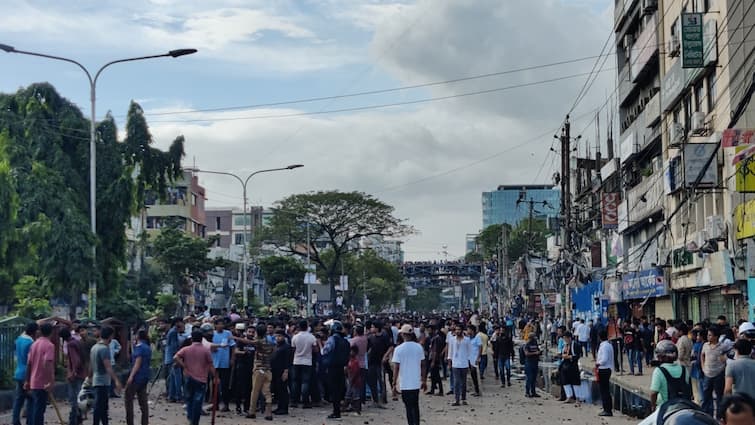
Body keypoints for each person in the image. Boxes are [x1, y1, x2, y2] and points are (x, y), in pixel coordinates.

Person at [175, 330, 217, 425]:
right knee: (198, 401)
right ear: (202, 339)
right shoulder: (206, 350)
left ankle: (190, 417)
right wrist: (215, 377)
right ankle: (195, 421)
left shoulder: (186, 349)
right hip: (201, 379)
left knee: (189, 398)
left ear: (192, 339)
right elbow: (211, 365)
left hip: (189, 377)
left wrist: (184, 365)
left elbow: (175, 357)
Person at [392, 324, 427, 425]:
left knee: (408, 407)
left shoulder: (398, 349)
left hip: (405, 383)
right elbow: (423, 365)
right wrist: (423, 380)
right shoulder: (418, 347)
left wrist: (394, 383)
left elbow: (396, 367)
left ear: (403, 334)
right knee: (415, 406)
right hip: (415, 382)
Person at [90, 325, 123, 425]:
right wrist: (116, 380)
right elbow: (108, 367)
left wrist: (89, 376)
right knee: (100, 406)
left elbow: (90, 364)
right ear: (110, 336)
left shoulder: (95, 347)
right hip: (103, 381)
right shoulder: (104, 349)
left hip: (96, 379)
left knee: (101, 406)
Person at [649, 340, 692, 411]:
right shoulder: (684, 369)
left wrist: (653, 406)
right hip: (683, 407)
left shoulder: (658, 371)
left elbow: (653, 393)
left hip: (665, 409)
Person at [25, 322, 54, 425]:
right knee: (39, 410)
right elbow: (47, 364)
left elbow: (29, 363)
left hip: (33, 381)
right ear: (51, 332)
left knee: (36, 408)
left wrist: (27, 380)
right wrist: (49, 381)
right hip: (42, 383)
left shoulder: (34, 344)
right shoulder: (49, 345)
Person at [321, 320, 350, 420]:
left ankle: (336, 411)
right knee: (340, 388)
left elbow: (325, 351)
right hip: (342, 367)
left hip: (331, 367)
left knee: (333, 390)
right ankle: (339, 408)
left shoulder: (332, 340)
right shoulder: (345, 341)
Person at [12, 322, 37, 425]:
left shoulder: (19, 340)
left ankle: (15, 421)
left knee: (19, 400)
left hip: (18, 372)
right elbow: (31, 362)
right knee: (31, 400)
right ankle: (30, 421)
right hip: (27, 374)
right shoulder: (31, 343)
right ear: (34, 332)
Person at [125, 330, 151, 425]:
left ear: (138, 336)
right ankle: (145, 422)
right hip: (145, 376)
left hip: (137, 376)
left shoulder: (139, 347)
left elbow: (137, 363)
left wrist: (131, 376)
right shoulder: (147, 347)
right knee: (143, 402)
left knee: (128, 400)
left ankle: (130, 422)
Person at [60, 327, 86, 425]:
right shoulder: (77, 341)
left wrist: (73, 372)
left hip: (76, 375)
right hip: (82, 373)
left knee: (73, 398)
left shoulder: (70, 345)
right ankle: (79, 418)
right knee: (79, 396)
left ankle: (74, 420)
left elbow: (76, 360)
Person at [701, 327, 727, 417]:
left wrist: (723, 367)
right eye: (708, 335)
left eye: (710, 335)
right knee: (706, 396)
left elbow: (725, 359)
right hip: (707, 373)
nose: (708, 337)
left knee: (719, 396)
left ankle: (720, 416)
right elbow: (702, 355)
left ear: (716, 336)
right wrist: (703, 367)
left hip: (718, 374)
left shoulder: (722, 346)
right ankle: (706, 415)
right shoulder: (705, 345)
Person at [290, 320, 316, 409]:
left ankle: (294, 401)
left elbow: (293, 350)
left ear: (299, 327)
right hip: (307, 361)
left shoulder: (295, 337)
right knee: (305, 382)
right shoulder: (312, 337)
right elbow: (315, 350)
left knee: (295, 381)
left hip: (296, 361)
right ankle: (305, 402)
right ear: (307, 326)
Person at [211, 319, 235, 412]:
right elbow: (209, 346)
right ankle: (215, 404)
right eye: (219, 324)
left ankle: (226, 404)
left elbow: (233, 346)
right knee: (214, 384)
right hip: (215, 362)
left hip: (225, 363)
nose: (221, 326)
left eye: (222, 324)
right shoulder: (212, 334)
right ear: (215, 325)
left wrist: (232, 359)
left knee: (225, 385)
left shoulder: (228, 333)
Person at [367, 320, 391, 407]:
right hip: (371, 362)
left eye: (373, 327)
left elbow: (390, 347)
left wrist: (385, 356)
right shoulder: (370, 337)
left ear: (377, 328)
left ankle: (383, 399)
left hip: (380, 362)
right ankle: (375, 400)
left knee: (381, 381)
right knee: (372, 381)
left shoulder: (384, 336)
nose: (371, 328)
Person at [271, 329, 292, 416]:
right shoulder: (276, 346)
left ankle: (284, 408)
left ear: (283, 337)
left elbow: (288, 360)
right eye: (276, 336)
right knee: (278, 390)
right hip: (275, 371)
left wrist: (286, 371)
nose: (277, 338)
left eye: (279, 336)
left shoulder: (286, 347)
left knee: (283, 389)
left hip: (282, 371)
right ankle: (279, 407)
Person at [449, 325, 471, 406]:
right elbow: (450, 351)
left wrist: (470, 363)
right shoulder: (452, 340)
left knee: (463, 383)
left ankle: (464, 399)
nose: (457, 331)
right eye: (456, 329)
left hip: (464, 363)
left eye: (459, 329)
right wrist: (449, 361)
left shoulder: (467, 340)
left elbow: (469, 352)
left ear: (462, 330)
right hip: (455, 364)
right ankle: (456, 399)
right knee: (456, 382)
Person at [164, 318, 185, 403]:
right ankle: (178, 396)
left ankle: (171, 396)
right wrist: (177, 358)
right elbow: (173, 347)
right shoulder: (173, 332)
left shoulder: (172, 331)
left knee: (173, 378)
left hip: (169, 357)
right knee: (177, 378)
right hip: (173, 357)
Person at [559, 331, 582, 404]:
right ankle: (569, 396)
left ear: (569, 338)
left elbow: (578, 355)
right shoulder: (565, 345)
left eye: (565, 338)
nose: (565, 340)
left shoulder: (575, 345)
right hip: (565, 364)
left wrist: (569, 357)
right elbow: (562, 354)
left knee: (575, 382)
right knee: (565, 381)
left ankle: (577, 398)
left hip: (573, 365)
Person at [596, 329, 614, 417]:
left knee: (604, 390)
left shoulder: (604, 346)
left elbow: (604, 359)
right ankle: (607, 408)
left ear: (599, 337)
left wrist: (598, 363)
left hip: (604, 369)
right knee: (605, 390)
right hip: (607, 369)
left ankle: (607, 409)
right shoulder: (608, 345)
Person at [344, 345, 363, 415]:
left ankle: (358, 410)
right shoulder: (350, 361)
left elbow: (355, 372)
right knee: (349, 395)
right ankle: (345, 407)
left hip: (355, 381)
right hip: (351, 380)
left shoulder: (355, 362)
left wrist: (352, 380)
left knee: (355, 396)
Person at [467, 325, 482, 396]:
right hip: (470, 359)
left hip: (475, 359)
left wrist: (478, 358)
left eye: (468, 330)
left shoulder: (477, 338)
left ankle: (478, 391)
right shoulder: (468, 338)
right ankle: (476, 390)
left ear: (472, 330)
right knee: (473, 375)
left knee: (476, 376)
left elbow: (480, 348)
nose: (467, 331)